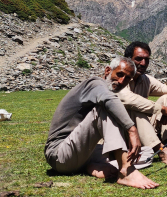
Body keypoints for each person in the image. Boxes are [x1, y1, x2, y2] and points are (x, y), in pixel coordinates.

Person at [44, 57, 159, 189]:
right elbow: (109, 100)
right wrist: (132, 130)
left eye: (127, 78)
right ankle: (126, 171)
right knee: (104, 109)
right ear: (108, 70)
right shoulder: (94, 83)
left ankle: (89, 166)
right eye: (119, 74)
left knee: (146, 152)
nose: (121, 81)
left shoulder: (107, 90)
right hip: (59, 155)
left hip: (84, 152)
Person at [118, 41, 167, 165]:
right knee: (136, 107)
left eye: (146, 60)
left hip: (142, 130)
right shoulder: (119, 77)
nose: (143, 63)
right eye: (139, 59)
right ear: (128, 60)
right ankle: (161, 151)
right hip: (124, 131)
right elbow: (128, 99)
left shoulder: (145, 80)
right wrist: (162, 109)